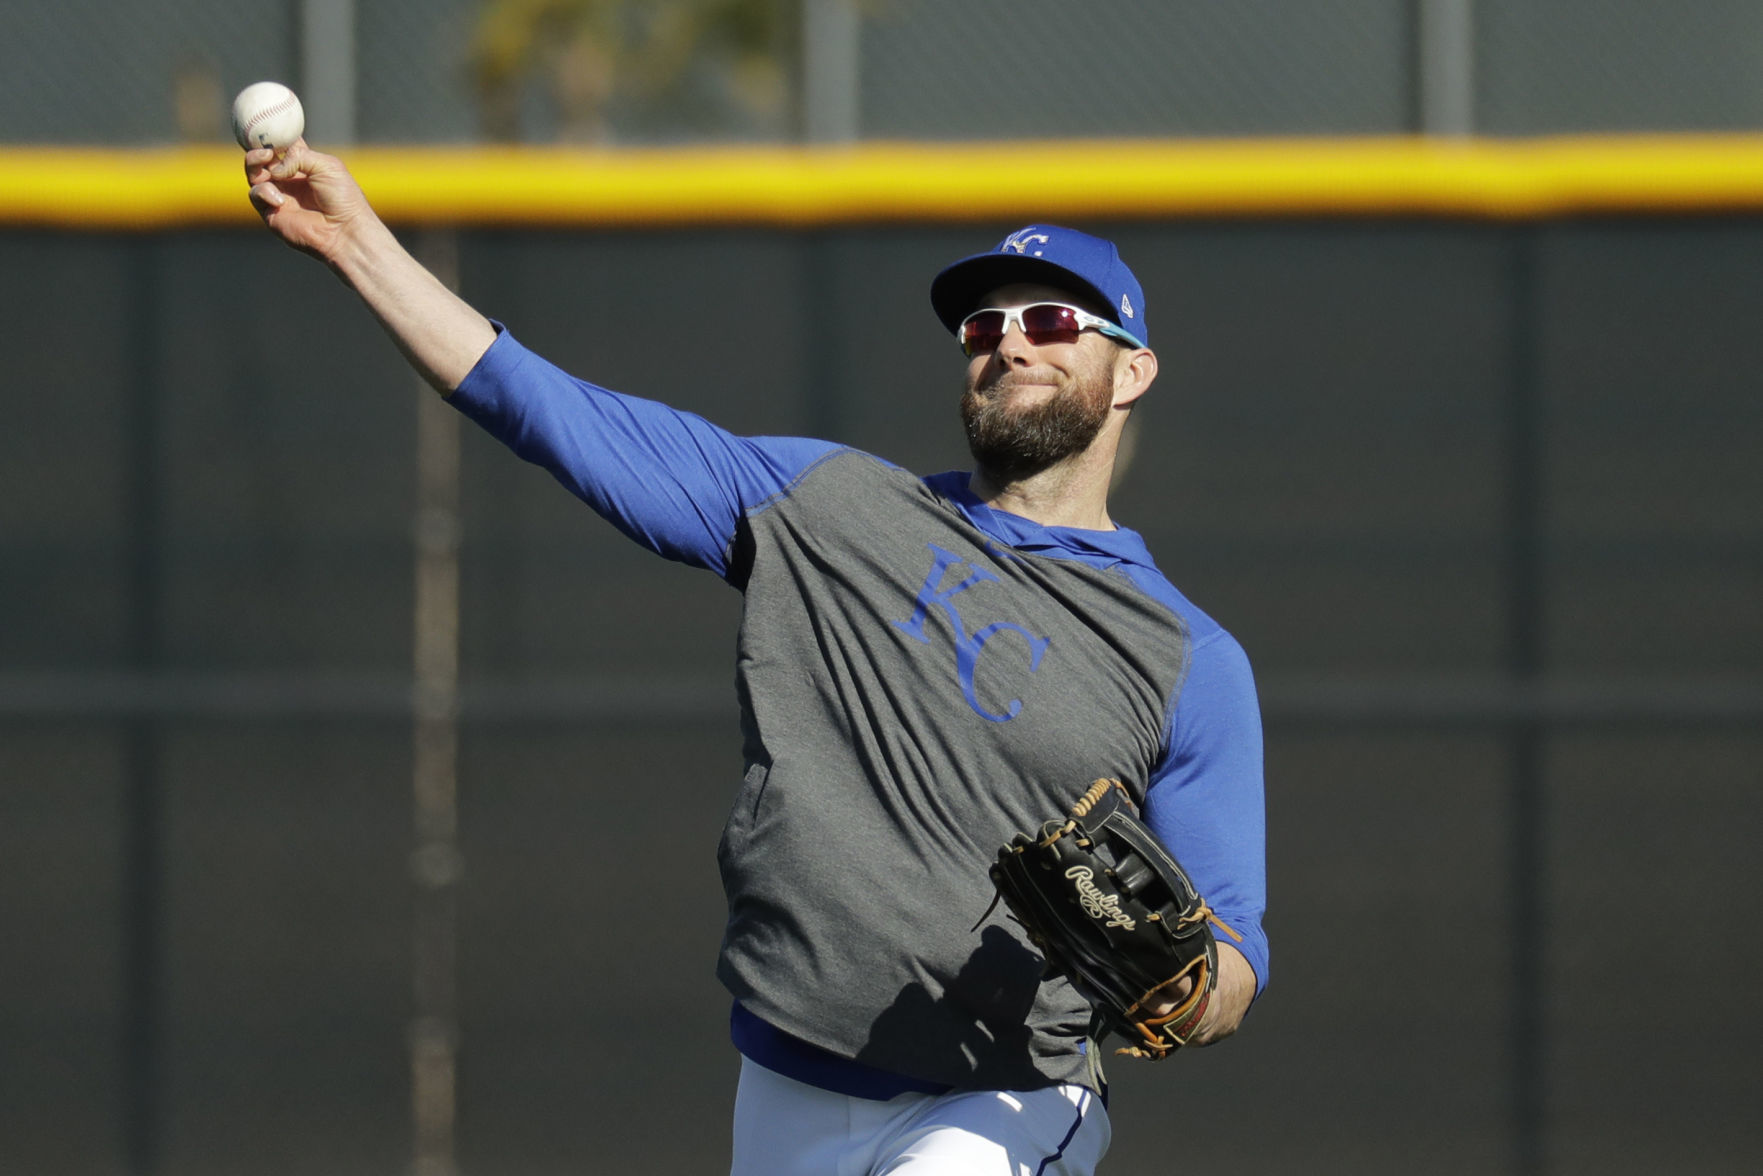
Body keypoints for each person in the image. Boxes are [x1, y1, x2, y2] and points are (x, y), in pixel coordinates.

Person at [245, 141, 1268, 1175]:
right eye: (984, 325)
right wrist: (355, 242)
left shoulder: (1185, 658)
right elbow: (548, 410)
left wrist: (1190, 992)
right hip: (786, 1078)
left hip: (1002, 1098)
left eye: (1051, 322)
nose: (1008, 345)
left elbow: (1230, 950)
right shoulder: (827, 505)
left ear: (1129, 369)